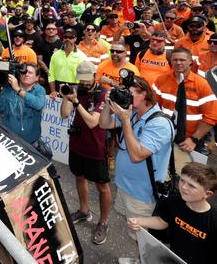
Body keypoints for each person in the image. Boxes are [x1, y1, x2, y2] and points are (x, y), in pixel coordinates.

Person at [99, 76, 174, 240]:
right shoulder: (133, 112)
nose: (127, 98)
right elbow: (104, 124)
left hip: (141, 194)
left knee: (140, 238)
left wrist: (125, 120)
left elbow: (137, 156)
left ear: (145, 94)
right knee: (130, 228)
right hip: (124, 185)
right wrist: (107, 105)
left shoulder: (159, 123)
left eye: (131, 94)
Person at [60, 61, 111, 245]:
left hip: (96, 147)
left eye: (88, 79)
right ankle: (84, 211)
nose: (84, 83)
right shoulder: (76, 89)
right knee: (79, 176)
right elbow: (65, 115)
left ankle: (104, 222)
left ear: (95, 75)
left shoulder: (102, 93)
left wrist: (75, 102)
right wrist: (66, 97)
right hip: (77, 144)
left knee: (102, 186)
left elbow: (92, 122)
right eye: (81, 80)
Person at [126, 162, 217, 264]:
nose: (183, 187)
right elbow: (162, 221)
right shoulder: (174, 201)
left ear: (207, 194)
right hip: (173, 257)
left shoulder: (213, 221)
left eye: (191, 186)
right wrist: (139, 221)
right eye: (182, 180)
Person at [152, 47, 217, 165]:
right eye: (175, 60)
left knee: (189, 178)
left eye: (182, 60)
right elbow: (153, 107)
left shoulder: (201, 84)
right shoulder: (161, 80)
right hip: (163, 137)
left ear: (190, 61)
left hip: (190, 142)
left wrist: (194, 139)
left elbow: (211, 116)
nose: (178, 63)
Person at [0, 62, 46, 152]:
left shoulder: (39, 90)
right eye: (23, 72)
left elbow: (38, 104)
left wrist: (17, 89)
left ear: (37, 78)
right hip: (8, 142)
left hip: (31, 144)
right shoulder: (8, 89)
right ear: (19, 75)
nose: (26, 74)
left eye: (30, 72)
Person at [48, 28, 87, 98]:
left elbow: (84, 77)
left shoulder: (82, 56)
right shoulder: (55, 55)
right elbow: (51, 74)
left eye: (71, 37)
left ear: (75, 39)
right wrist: (53, 90)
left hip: (75, 87)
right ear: (62, 39)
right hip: (58, 86)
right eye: (65, 37)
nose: (67, 39)